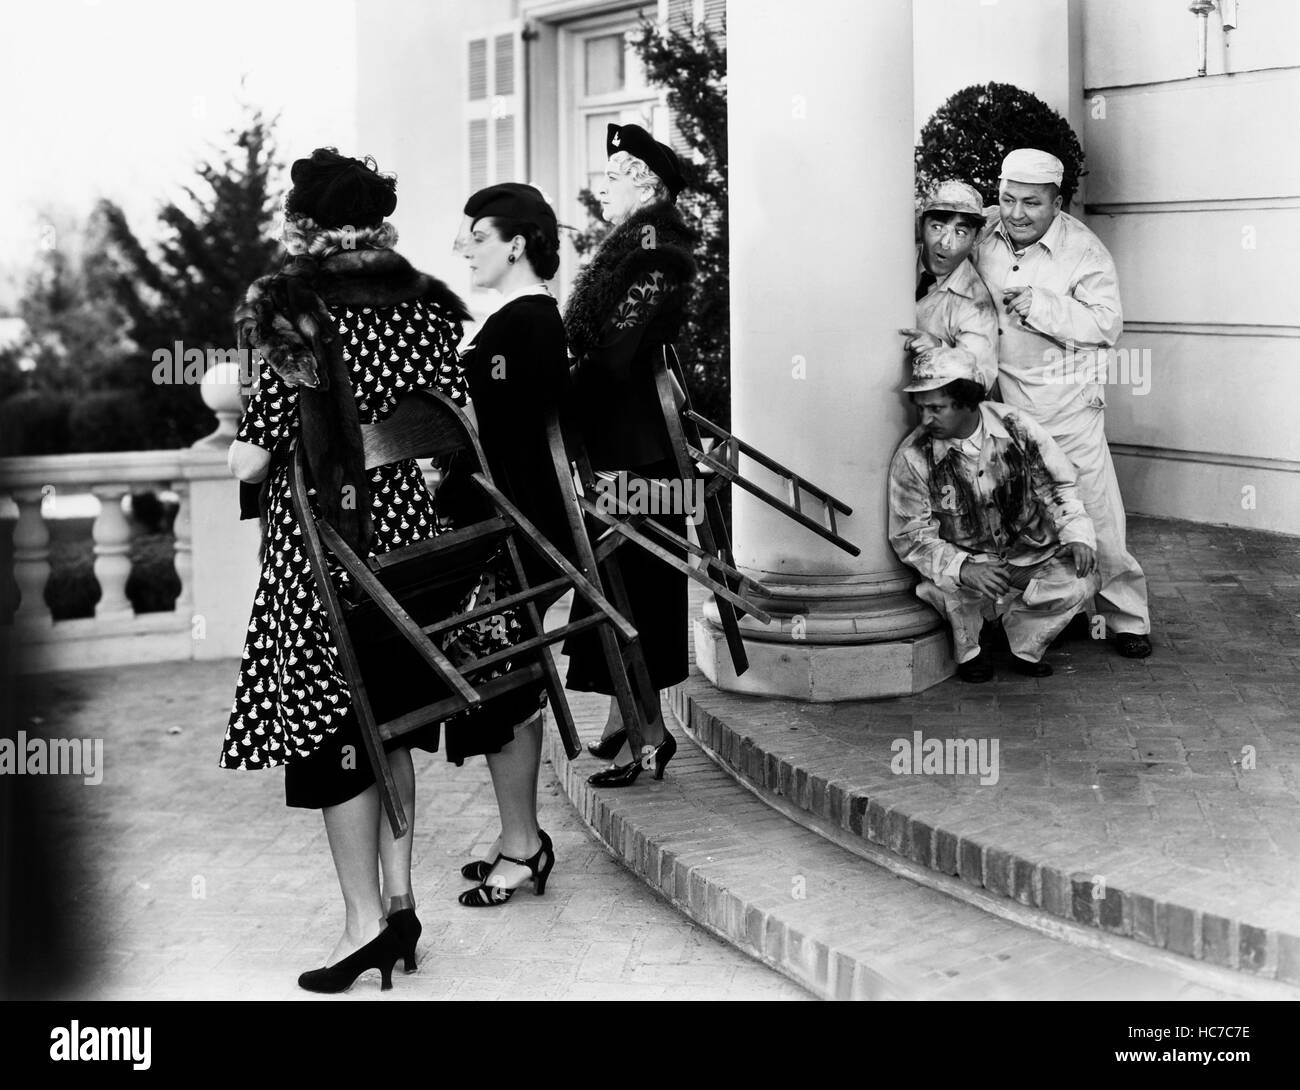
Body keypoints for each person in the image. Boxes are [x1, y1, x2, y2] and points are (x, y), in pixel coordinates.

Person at [222, 148, 519, 992]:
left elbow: (254, 459)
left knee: (331, 732)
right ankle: (400, 905)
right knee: (387, 716)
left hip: (325, 547)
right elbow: (447, 414)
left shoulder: (290, 308)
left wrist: (242, 426)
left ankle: (362, 929)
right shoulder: (424, 303)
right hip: (408, 548)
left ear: (303, 225)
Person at [444, 182, 572, 906]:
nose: (464, 250)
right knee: (497, 669)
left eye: (477, 237)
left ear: (516, 243)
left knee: (502, 672)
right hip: (505, 527)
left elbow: (520, 430)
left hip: (518, 531)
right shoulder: (513, 319)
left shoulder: (529, 321)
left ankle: (525, 846)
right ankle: (517, 835)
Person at [973, 147, 1152, 658]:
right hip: (999, 400)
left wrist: (1043, 305)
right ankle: (1049, 611)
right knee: (1014, 515)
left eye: (1031, 203)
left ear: (1057, 202)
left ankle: (1126, 618)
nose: (1016, 213)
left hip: (1066, 402)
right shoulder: (984, 230)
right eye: (1008, 198)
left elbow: (1106, 325)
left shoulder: (1084, 250)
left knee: (1093, 511)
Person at [562, 122, 698, 787]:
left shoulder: (657, 253)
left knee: (630, 589)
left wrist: (557, 382)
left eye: (615, 176)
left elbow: (614, 356)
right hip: (624, 442)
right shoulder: (637, 248)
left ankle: (650, 733)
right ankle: (627, 718)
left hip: (639, 452)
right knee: (616, 579)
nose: (605, 187)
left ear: (647, 185)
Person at [888, 349, 1099, 682]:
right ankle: (974, 648)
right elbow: (911, 537)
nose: (926, 419)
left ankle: (1020, 640)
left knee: (1080, 580)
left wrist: (1077, 535)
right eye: (921, 408)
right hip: (967, 559)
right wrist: (964, 568)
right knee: (941, 587)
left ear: (968, 402)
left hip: (1027, 554)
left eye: (936, 408)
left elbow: (1058, 487)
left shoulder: (1017, 427)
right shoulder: (913, 457)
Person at [900, 179, 998, 391]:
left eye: (960, 232)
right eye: (937, 227)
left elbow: (980, 381)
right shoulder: (893, 259)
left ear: (977, 238)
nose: (945, 242)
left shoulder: (977, 306)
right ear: (921, 225)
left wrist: (939, 349)